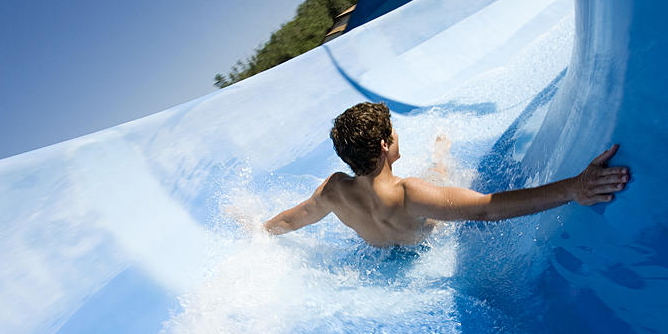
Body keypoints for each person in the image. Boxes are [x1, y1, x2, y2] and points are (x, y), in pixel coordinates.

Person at [262, 102, 630, 247]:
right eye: (392, 131)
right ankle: (441, 153)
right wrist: (574, 188)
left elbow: (298, 219)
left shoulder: (333, 191)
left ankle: (441, 154)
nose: (396, 135)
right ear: (382, 146)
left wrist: (259, 233)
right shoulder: (412, 194)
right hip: (424, 232)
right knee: (439, 174)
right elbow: (487, 209)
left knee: (435, 178)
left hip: (383, 252)